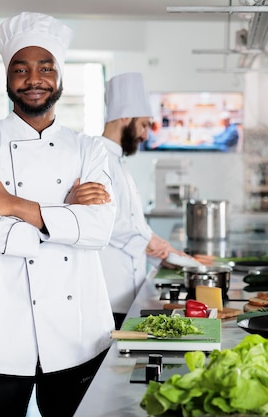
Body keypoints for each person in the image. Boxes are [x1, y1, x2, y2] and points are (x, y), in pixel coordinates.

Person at [0, 12, 116, 417]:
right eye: (20, 69)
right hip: (0, 334)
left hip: (77, 333)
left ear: (60, 77)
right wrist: (63, 222)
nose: (33, 79)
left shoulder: (89, 149)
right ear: (8, 78)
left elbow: (98, 231)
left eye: (45, 68)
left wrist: (10, 206)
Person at [88, 72, 191, 328]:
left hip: (129, 289)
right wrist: (150, 243)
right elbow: (104, 221)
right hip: (108, 292)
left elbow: (134, 222)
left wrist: (164, 251)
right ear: (125, 117)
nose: (146, 135)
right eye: (144, 124)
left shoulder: (119, 161)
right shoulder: (95, 158)